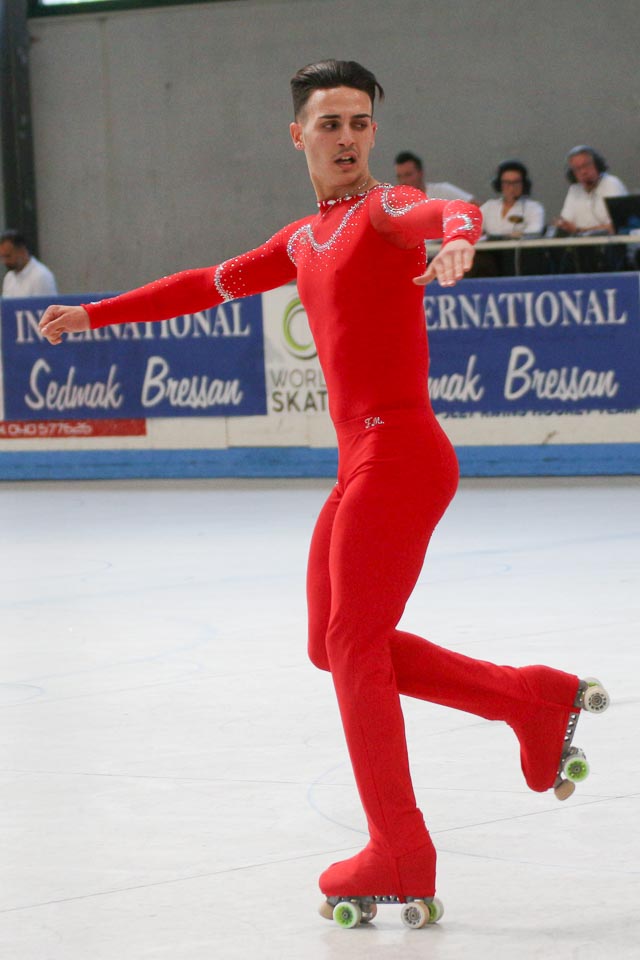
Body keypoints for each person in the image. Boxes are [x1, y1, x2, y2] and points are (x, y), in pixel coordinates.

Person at [39, 60, 605, 922]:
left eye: (359, 122)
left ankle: (399, 846)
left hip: (401, 454)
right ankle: (530, 699)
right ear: (297, 134)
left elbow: (438, 212)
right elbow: (202, 284)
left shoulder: (381, 212)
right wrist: (96, 313)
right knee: (331, 644)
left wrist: (461, 236)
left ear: (373, 132)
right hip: (358, 463)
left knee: (353, 641)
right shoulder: (303, 239)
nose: (346, 137)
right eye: (329, 122)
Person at [554, 145, 627, 236]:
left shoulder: (612, 184)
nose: (583, 172)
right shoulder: (574, 189)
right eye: (577, 169)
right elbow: (567, 222)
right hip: (582, 242)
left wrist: (579, 230)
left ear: (597, 165)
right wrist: (562, 225)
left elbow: (617, 227)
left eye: (586, 165)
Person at [480, 160, 545, 238]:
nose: (511, 188)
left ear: (523, 184)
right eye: (507, 183)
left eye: (516, 182)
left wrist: (517, 235)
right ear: (500, 184)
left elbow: (535, 231)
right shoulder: (489, 206)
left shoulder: (534, 208)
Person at [395, 149, 474, 202]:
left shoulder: (443, 192)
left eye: (408, 175)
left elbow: (477, 208)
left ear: (420, 173)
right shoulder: (397, 207)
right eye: (399, 176)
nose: (403, 181)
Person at [0, 229, 58, 297]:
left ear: (22, 251)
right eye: (2, 257)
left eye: (8, 256)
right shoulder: (9, 278)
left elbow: (44, 304)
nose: (5, 261)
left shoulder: (41, 276)